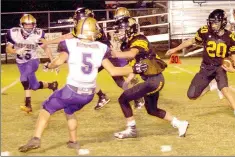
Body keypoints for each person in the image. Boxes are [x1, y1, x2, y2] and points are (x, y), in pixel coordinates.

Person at [18, 17, 148, 152]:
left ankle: (36, 138)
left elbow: (57, 62)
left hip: (71, 90)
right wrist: (134, 69)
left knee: (46, 109)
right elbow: (114, 71)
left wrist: (49, 65)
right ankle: (73, 141)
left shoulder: (70, 44)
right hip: (89, 94)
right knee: (69, 111)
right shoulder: (101, 47)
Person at [41, 7, 145, 110]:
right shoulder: (88, 26)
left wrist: (48, 42)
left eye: (78, 19)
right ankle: (104, 96)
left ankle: (137, 93)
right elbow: (68, 37)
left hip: (106, 55)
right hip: (99, 56)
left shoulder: (90, 28)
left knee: (121, 77)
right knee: (89, 77)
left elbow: (66, 37)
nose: (76, 21)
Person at [111, 17, 189, 139]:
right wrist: (128, 80)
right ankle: (180, 124)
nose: (119, 33)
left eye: (121, 30)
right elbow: (134, 66)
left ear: (130, 30)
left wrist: (115, 54)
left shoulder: (139, 39)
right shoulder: (127, 44)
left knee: (123, 99)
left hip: (154, 80)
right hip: (153, 80)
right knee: (152, 110)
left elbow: (132, 54)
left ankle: (131, 130)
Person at [166, 9, 235, 123]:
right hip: (206, 67)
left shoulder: (231, 38)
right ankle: (210, 86)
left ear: (223, 22)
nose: (212, 24)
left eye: (215, 22)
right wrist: (175, 49)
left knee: (225, 90)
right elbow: (191, 41)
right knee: (192, 95)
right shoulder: (205, 31)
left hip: (219, 67)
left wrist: (233, 69)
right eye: (211, 22)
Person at [5, 14, 58, 113]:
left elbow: (45, 47)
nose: (29, 27)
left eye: (31, 25)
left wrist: (52, 61)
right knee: (34, 86)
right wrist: (15, 51)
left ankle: (28, 104)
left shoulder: (38, 33)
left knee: (24, 78)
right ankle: (52, 85)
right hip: (21, 63)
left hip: (33, 61)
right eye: (27, 25)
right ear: (22, 25)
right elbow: (8, 49)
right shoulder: (13, 33)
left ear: (34, 25)